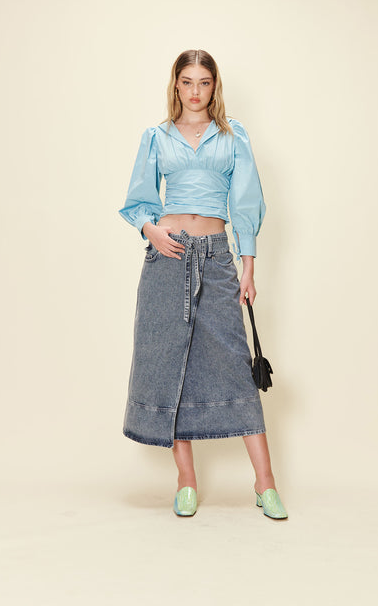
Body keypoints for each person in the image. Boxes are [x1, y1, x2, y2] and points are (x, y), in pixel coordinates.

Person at [118, 49, 287, 520]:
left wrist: (248, 266)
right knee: (170, 363)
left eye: (204, 82)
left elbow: (246, 202)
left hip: (215, 255)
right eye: (187, 81)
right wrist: (151, 230)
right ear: (176, 84)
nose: (195, 91)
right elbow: (138, 200)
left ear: (215, 86)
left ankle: (266, 483)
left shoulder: (232, 137)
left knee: (234, 363)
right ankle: (186, 481)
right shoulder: (156, 137)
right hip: (167, 255)